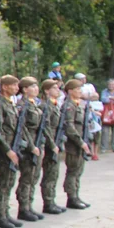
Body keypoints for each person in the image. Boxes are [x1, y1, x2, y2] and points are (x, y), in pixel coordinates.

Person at [0, 75, 22, 228]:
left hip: (13, 147)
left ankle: (5, 212)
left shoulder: (11, 104)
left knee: (10, 181)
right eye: (13, 85)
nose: (17, 88)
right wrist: (8, 150)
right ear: (4, 87)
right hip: (5, 150)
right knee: (3, 183)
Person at [15, 77, 45, 222]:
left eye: (36, 86)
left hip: (37, 144)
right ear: (25, 89)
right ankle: (23, 208)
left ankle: (29, 205)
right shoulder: (23, 105)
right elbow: (23, 128)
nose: (36, 89)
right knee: (27, 177)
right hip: (28, 145)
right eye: (32, 86)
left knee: (34, 176)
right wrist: (31, 146)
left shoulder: (35, 104)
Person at [62, 79, 91, 208]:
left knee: (79, 170)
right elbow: (69, 127)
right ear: (70, 91)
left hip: (81, 142)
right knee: (73, 171)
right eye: (77, 89)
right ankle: (71, 197)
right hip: (73, 144)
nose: (80, 91)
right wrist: (80, 142)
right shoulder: (68, 106)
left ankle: (76, 195)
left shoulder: (79, 104)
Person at [39, 80, 65, 214]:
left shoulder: (55, 106)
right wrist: (52, 144)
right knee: (49, 174)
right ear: (47, 91)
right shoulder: (45, 106)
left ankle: (52, 200)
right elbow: (46, 127)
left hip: (56, 142)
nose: (57, 89)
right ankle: (48, 202)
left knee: (54, 174)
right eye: (54, 88)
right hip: (50, 145)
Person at [100, 80, 114, 152]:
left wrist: (110, 97)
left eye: (113, 84)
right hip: (107, 113)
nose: (111, 86)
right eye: (110, 84)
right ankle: (104, 147)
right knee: (105, 131)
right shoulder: (104, 91)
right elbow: (104, 99)